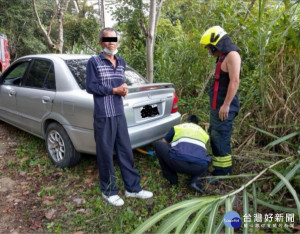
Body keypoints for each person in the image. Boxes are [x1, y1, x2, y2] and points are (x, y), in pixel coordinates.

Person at [86, 27, 153, 206]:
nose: (111, 43)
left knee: (125, 150)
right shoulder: (94, 62)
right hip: (103, 115)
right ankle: (108, 191)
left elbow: (120, 83)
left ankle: (132, 188)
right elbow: (91, 87)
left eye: (114, 39)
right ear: (100, 42)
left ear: (118, 42)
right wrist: (113, 90)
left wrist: (123, 89)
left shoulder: (121, 62)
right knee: (105, 154)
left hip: (118, 112)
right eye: (107, 39)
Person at [200, 26, 241, 176]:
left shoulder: (232, 55)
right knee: (215, 134)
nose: (209, 51)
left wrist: (226, 105)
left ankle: (223, 172)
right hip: (218, 106)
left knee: (221, 136)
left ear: (216, 44)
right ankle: (219, 167)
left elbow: (235, 81)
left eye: (209, 48)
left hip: (225, 106)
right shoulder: (223, 56)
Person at [154, 115, 211, 192]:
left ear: (186, 121)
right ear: (197, 124)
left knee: (159, 144)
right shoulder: (203, 132)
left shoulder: (179, 127)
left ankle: (173, 181)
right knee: (206, 158)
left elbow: (164, 142)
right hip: (198, 168)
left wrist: (157, 152)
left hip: (177, 163)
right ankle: (195, 181)